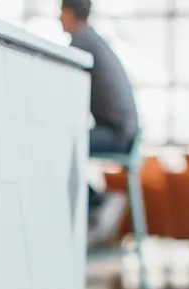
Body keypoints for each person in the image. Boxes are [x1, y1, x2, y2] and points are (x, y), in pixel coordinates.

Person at [61, 0, 139, 245]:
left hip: (117, 135)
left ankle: (97, 200)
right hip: (126, 131)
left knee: (61, 146)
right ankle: (94, 201)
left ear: (68, 13)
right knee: (64, 144)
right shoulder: (93, 40)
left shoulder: (81, 43)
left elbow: (67, 92)